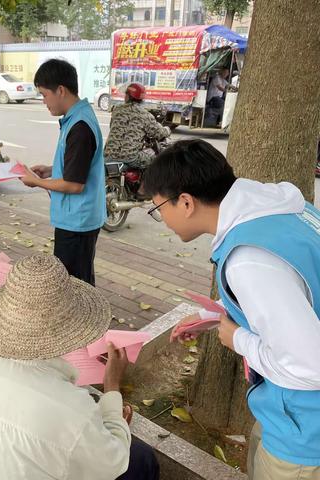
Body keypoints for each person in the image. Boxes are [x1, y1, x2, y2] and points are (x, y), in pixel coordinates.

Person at [144, 139, 320, 480]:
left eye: (158, 208)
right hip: (284, 414)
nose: (162, 219)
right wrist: (214, 316)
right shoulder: (283, 208)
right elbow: (293, 290)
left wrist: (237, 338)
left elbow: (311, 366)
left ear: (185, 202)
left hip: (304, 432)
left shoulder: (249, 260)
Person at [0, 254, 160, 480]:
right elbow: (113, 463)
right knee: (141, 458)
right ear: (73, 328)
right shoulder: (72, 410)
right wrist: (112, 387)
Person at [20, 59, 106, 286]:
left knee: (74, 286)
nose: (43, 101)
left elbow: (74, 185)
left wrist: (36, 182)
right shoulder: (76, 119)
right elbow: (77, 167)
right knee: (79, 280)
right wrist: (50, 170)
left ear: (60, 90)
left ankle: (85, 321)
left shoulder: (79, 126)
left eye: (44, 94)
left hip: (77, 220)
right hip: (75, 218)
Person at [104, 83, 171, 169]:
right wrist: (167, 130)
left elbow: (112, 126)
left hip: (108, 155)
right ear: (141, 99)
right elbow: (158, 133)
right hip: (131, 158)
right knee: (156, 159)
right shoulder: (145, 115)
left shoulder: (117, 109)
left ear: (127, 96)